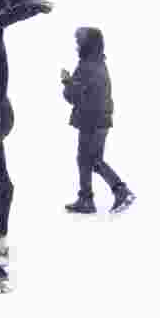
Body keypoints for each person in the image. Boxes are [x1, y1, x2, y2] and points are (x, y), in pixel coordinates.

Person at [61, 27, 134, 214]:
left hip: (90, 119)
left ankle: (120, 191)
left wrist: (67, 81)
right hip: (101, 118)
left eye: (79, 42)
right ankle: (87, 198)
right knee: (90, 160)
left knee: (90, 160)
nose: (77, 46)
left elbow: (72, 96)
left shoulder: (86, 66)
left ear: (86, 45)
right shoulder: (100, 62)